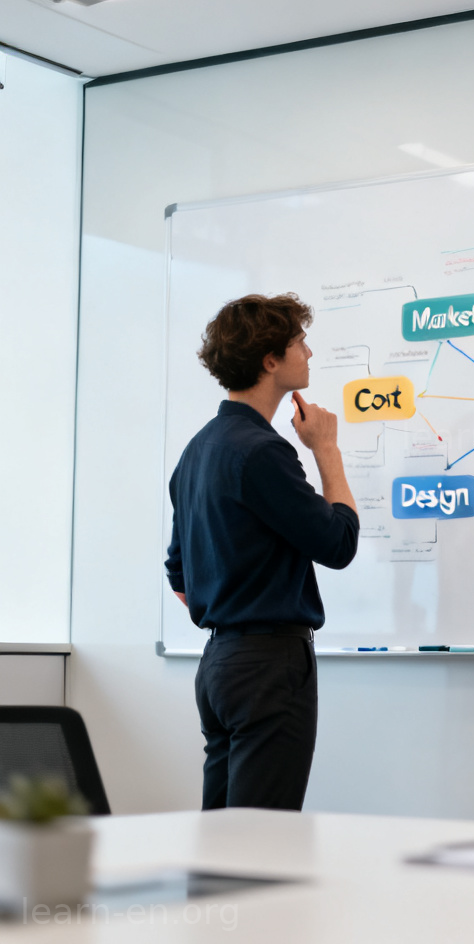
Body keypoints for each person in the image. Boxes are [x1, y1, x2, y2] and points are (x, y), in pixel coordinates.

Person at [165, 293, 359, 811]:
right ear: (271, 360)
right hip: (268, 666)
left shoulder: (196, 450)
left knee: (222, 841)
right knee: (260, 845)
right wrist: (326, 451)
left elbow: (179, 575)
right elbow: (339, 544)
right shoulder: (264, 452)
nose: (310, 353)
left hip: (220, 666)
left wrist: (231, 599)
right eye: (300, 343)